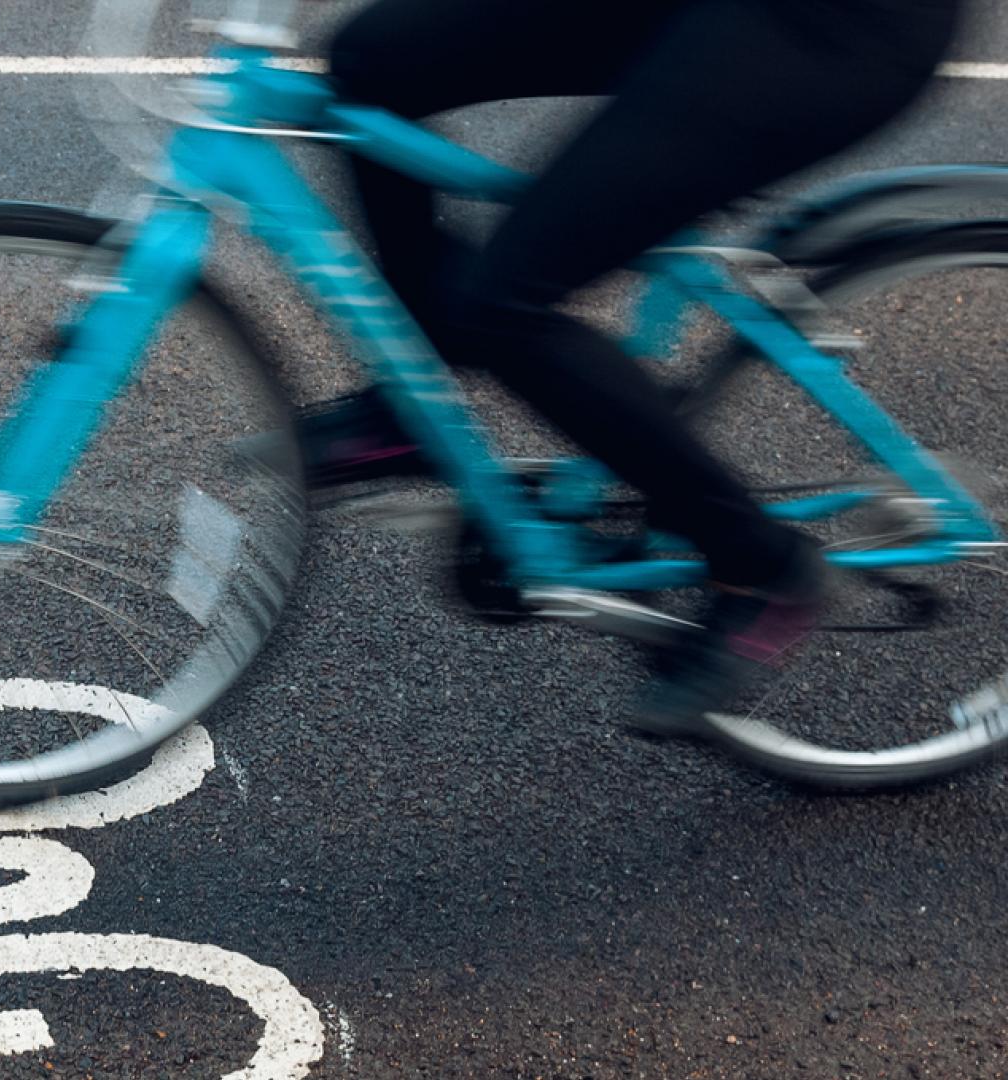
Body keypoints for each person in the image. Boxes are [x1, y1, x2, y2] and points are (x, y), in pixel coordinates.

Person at [302, 0, 964, 732]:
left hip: (825, 30)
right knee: (372, 60)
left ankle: (761, 565)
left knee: (500, 303)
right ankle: (415, 401)